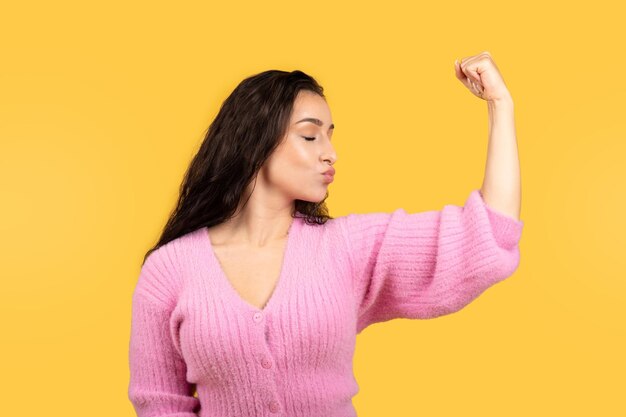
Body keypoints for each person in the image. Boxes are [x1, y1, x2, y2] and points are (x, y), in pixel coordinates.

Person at [128, 61, 524, 417]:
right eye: (310, 136)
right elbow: (160, 404)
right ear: (255, 141)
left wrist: (499, 106)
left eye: (330, 137)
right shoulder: (169, 269)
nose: (331, 153)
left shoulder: (347, 247)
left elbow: (489, 233)